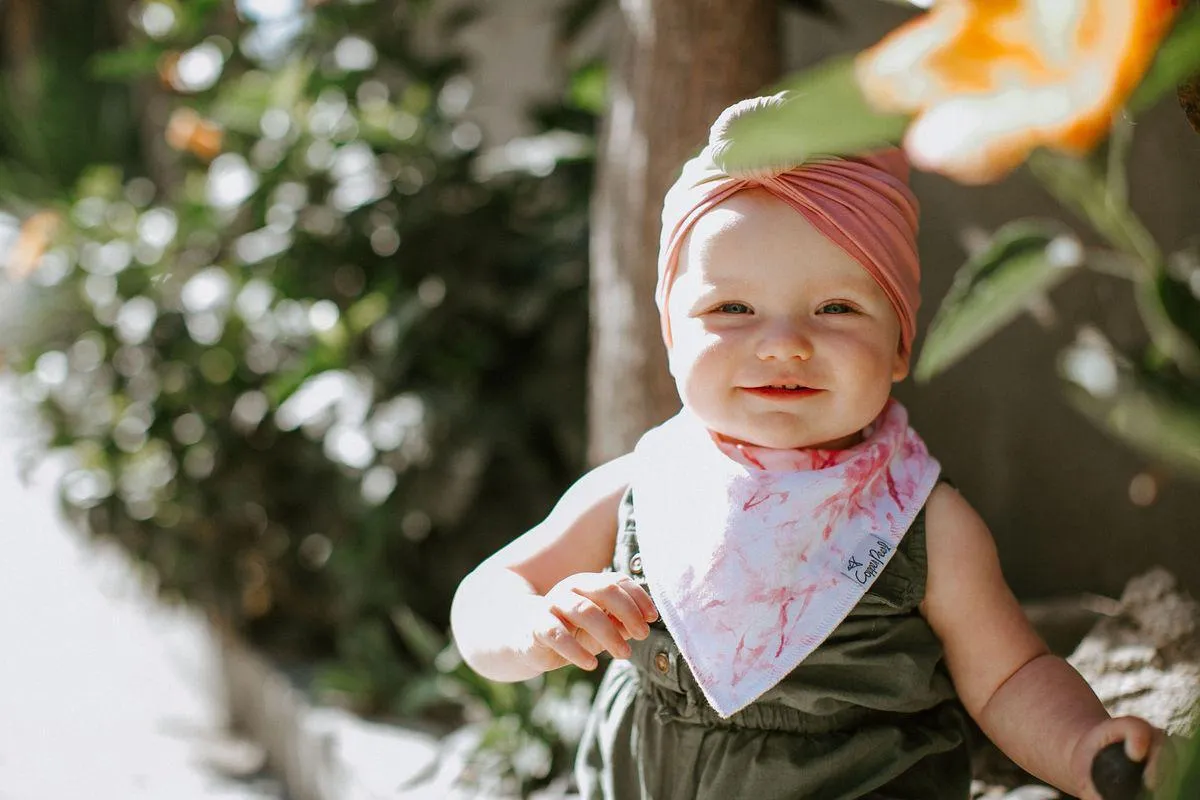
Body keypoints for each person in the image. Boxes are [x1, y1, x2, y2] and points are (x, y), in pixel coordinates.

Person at [449, 95, 1165, 800]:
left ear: (897, 346)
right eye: (731, 309)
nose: (784, 343)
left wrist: (1081, 746)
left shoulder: (923, 522)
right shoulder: (644, 486)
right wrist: (530, 626)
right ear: (672, 335)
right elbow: (484, 597)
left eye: (836, 309)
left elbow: (1010, 675)